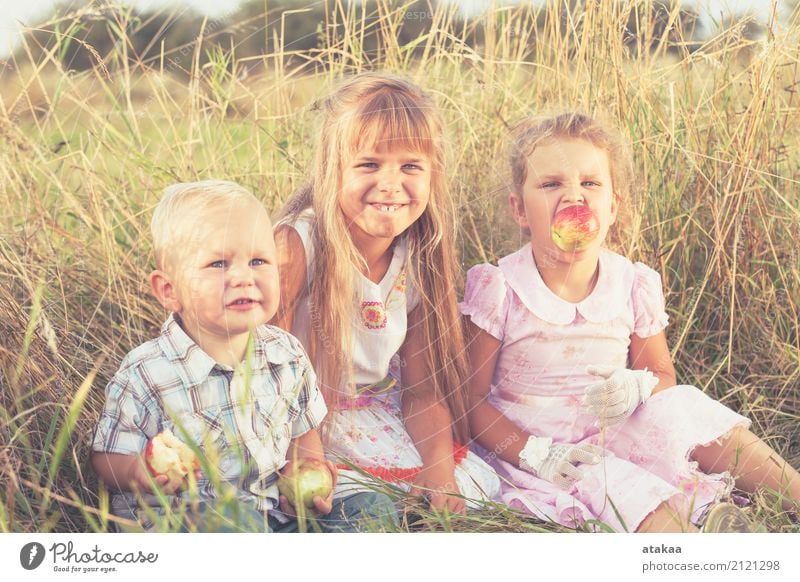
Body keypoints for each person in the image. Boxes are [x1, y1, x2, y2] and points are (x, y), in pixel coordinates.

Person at [461, 113, 800, 532]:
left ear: (613, 205)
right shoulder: (501, 287)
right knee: (620, 484)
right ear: (519, 210)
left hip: (618, 428)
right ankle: (694, 549)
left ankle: (793, 494)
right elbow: (470, 400)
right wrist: (535, 453)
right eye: (551, 184)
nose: (573, 197)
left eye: (590, 183)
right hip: (546, 452)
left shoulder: (632, 282)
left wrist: (636, 386)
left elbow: (661, 374)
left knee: (683, 405)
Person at [91, 180, 396, 532]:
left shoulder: (287, 354)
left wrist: (308, 473)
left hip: (274, 519)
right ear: (169, 290)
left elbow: (302, 439)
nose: (243, 277)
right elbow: (106, 457)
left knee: (373, 506)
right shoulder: (147, 370)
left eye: (257, 260)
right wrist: (138, 472)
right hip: (192, 524)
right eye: (219, 263)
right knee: (231, 524)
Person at [273, 72, 500, 514]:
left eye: (410, 166)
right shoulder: (299, 245)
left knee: (470, 481)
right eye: (369, 164)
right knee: (355, 501)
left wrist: (438, 468)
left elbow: (420, 388)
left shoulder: (417, 256)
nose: (391, 184)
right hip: (297, 419)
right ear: (332, 169)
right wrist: (303, 454)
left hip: (371, 411)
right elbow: (268, 368)